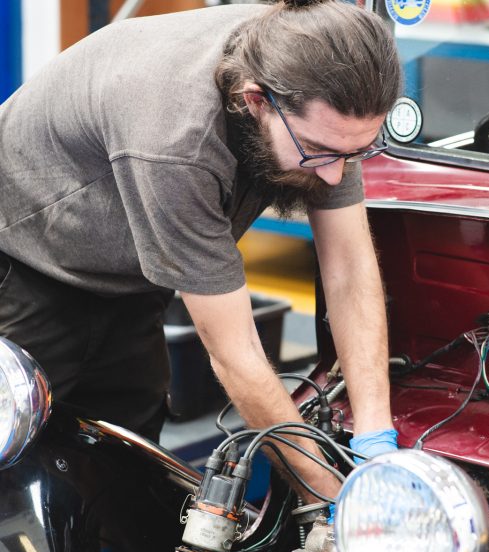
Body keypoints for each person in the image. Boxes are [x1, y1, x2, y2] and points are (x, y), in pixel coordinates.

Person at [0, 0, 400, 500]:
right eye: (319, 153)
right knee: (13, 472)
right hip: (23, 266)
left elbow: (349, 269)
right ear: (256, 101)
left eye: (354, 153)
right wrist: (324, 496)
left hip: (128, 272)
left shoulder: (321, 87)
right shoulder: (177, 140)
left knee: (126, 465)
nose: (335, 175)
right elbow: (236, 353)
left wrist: (375, 435)